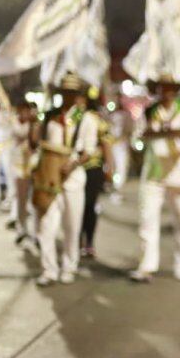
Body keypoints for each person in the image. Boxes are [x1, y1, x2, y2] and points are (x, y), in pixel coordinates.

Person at [130, 74, 180, 282]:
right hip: (154, 173)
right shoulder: (149, 110)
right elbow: (137, 139)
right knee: (147, 220)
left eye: (170, 88)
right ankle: (146, 266)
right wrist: (158, 133)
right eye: (163, 87)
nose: (167, 92)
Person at [36, 73, 99, 286]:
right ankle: (48, 269)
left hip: (73, 177)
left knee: (72, 226)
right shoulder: (49, 116)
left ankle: (69, 266)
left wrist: (72, 164)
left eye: (72, 92)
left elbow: (89, 150)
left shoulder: (87, 119)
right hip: (50, 176)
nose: (69, 96)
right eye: (65, 92)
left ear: (78, 95)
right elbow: (39, 144)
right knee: (46, 223)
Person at [79, 91, 114, 259]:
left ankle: (89, 242)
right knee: (78, 207)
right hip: (76, 169)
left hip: (93, 168)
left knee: (89, 206)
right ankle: (78, 241)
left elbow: (107, 145)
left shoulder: (96, 120)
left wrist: (109, 169)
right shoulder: (75, 118)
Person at [10, 100, 38, 246]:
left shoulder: (34, 123)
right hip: (19, 166)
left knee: (35, 200)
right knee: (21, 199)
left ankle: (36, 232)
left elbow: (34, 142)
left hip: (32, 165)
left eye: (27, 111)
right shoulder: (15, 122)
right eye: (22, 111)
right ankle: (22, 229)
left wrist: (34, 124)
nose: (25, 114)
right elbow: (20, 133)